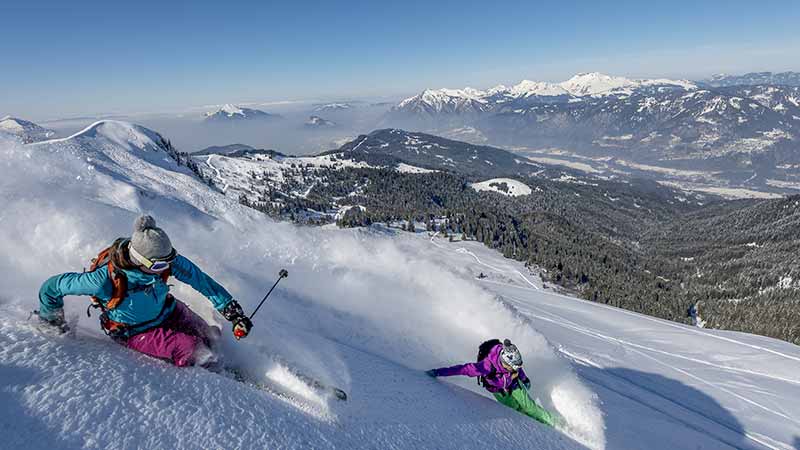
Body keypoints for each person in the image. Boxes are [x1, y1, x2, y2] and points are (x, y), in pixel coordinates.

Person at [34, 215, 252, 368]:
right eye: (159, 266)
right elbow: (51, 287)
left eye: (169, 262)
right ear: (141, 261)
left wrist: (233, 313)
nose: (166, 268)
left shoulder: (166, 261)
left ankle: (220, 360)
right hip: (136, 332)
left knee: (210, 336)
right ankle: (213, 373)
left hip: (168, 310)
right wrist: (52, 319)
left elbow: (202, 281)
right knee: (194, 349)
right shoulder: (103, 281)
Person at [426, 339, 556, 427]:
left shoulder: (512, 359)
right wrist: (438, 372)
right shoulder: (486, 366)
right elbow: (462, 369)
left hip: (514, 384)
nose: (515, 369)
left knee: (530, 407)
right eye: (512, 368)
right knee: (514, 409)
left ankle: (553, 423)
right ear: (505, 364)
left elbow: (518, 368)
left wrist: (524, 379)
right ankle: (531, 424)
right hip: (497, 389)